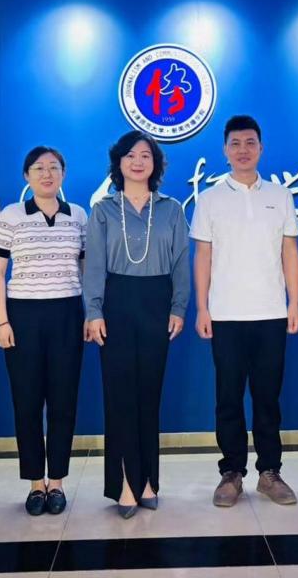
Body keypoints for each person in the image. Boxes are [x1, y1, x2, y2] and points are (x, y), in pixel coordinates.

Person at [191, 115, 298, 508]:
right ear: (225, 150)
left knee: (268, 397)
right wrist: (202, 307)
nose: (243, 150)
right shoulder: (210, 199)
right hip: (225, 315)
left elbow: (290, 251)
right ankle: (232, 473)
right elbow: (203, 256)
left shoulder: (280, 196)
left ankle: (270, 472)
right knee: (228, 397)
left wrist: (293, 302)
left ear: (261, 148)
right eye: (235, 143)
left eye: (250, 142)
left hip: (270, 312)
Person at [84, 130, 190, 518]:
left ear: (155, 163)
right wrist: (94, 311)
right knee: (120, 397)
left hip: (157, 302)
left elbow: (181, 263)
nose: (138, 161)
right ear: (119, 162)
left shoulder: (172, 209)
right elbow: (94, 265)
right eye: (130, 155)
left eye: (146, 155)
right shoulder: (103, 211)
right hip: (116, 301)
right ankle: (125, 484)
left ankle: (148, 480)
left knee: (149, 395)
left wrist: (179, 307)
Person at [0, 146, 88, 516]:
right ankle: (35, 483)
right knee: (27, 402)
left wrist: (89, 314)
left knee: (64, 401)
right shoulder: (12, 215)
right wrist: (2, 321)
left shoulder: (78, 215)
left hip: (67, 313)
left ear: (63, 174)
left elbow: (86, 268)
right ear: (26, 176)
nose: (47, 174)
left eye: (54, 168)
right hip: (23, 315)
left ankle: (57, 481)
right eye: (38, 168)